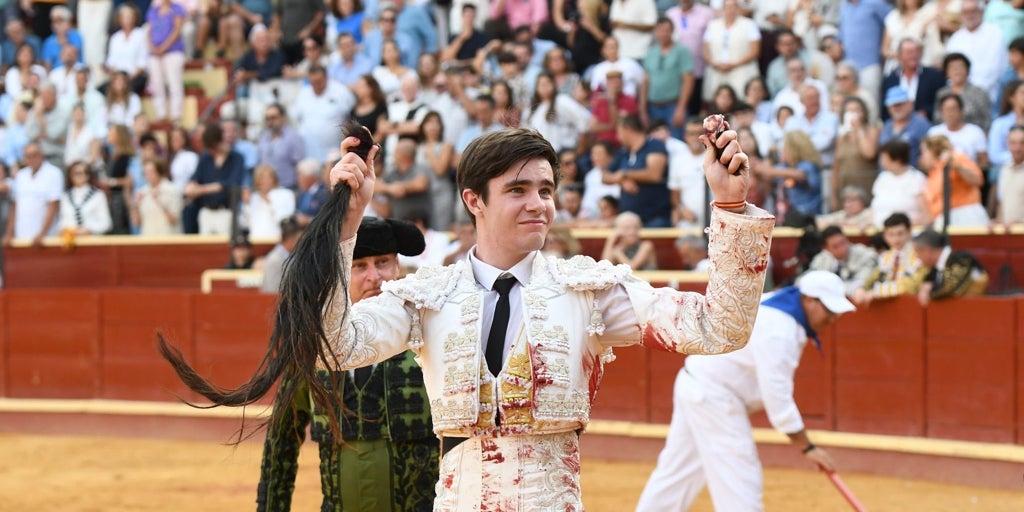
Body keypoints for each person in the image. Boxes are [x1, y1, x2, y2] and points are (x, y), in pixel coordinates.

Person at [314, 123, 772, 510]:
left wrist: (730, 206)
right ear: (475, 201)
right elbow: (335, 345)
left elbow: (720, 327)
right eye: (518, 190)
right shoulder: (430, 296)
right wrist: (347, 225)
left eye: (546, 189)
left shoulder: (590, 292)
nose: (539, 204)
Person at [256, 216, 437, 512]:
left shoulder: (427, 337)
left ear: (398, 268)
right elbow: (281, 441)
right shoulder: (313, 345)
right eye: (359, 266)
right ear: (339, 273)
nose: (374, 276)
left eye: (383, 263)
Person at [635, 270, 851, 511]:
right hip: (714, 396)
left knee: (677, 473)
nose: (832, 319)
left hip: (696, 383)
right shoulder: (780, 330)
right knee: (740, 476)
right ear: (810, 300)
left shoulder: (777, 303)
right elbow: (776, 394)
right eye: (830, 312)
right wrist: (807, 446)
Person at [853, 212, 927, 306]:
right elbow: (872, 278)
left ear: (909, 233)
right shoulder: (886, 257)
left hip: (910, 307)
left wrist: (877, 292)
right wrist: (861, 288)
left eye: (900, 234)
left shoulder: (919, 254)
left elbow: (913, 285)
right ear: (885, 236)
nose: (896, 239)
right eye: (891, 234)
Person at [2, 142, 63, 247]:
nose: (32, 159)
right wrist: (9, 232)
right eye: (28, 156)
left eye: (35, 154)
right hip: (21, 237)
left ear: (42, 155)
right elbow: (14, 206)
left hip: (45, 239)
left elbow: (53, 205)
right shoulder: (21, 175)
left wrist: (42, 233)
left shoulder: (54, 173)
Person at [913, 228, 989, 306]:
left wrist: (929, 291)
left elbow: (949, 287)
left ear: (927, 250)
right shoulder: (937, 268)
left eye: (917, 252)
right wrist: (926, 284)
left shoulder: (961, 259)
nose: (918, 257)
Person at [59, 161, 112, 236]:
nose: (80, 176)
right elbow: (62, 221)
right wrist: (65, 230)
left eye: (84, 172)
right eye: (76, 173)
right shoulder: (65, 196)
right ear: (70, 175)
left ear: (88, 175)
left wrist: (88, 230)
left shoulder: (98, 195)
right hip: (69, 242)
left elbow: (106, 224)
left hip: (92, 242)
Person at [259, 216, 304, 293]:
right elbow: (273, 293)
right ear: (291, 239)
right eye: (299, 239)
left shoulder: (291, 256)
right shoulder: (274, 260)